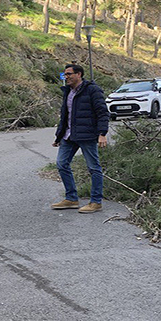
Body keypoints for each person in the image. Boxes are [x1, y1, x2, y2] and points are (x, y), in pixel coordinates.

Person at [51, 63, 109, 213]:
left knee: (93, 168)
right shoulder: (67, 91)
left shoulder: (92, 90)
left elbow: (102, 112)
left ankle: (96, 202)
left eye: (69, 74)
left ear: (79, 74)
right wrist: (59, 136)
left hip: (87, 135)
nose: (67, 77)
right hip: (69, 135)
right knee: (62, 163)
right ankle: (71, 199)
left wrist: (102, 134)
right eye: (65, 75)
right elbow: (65, 116)